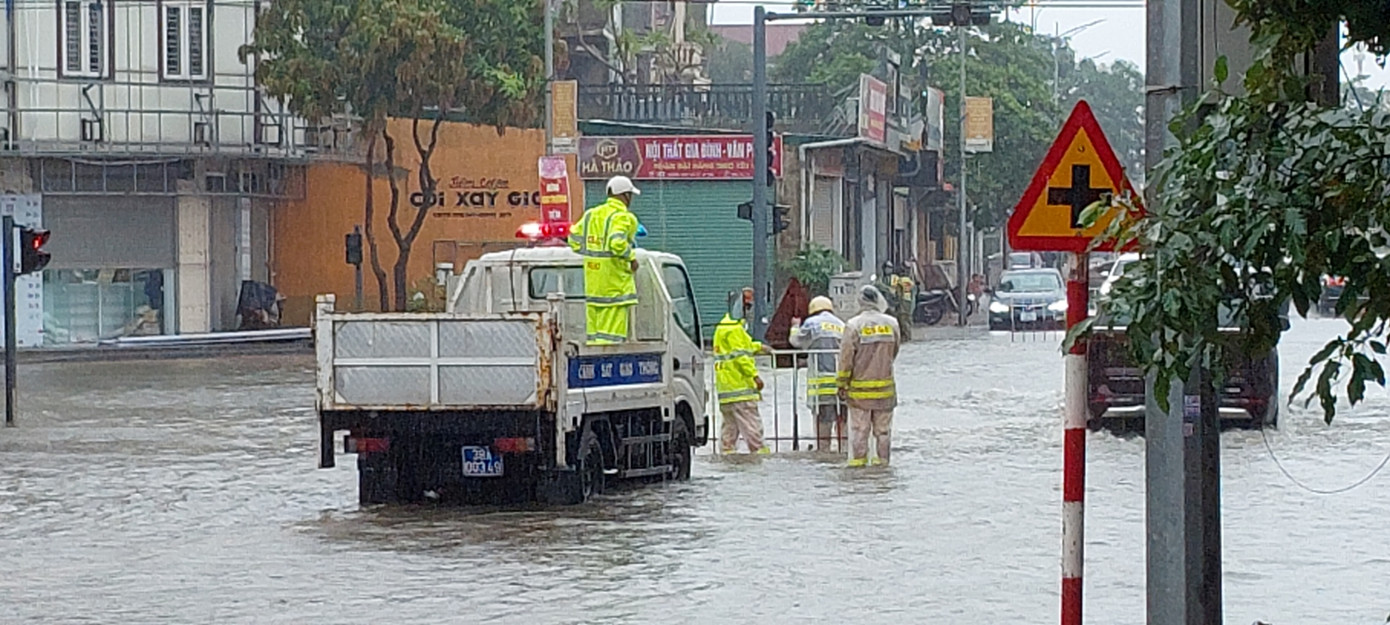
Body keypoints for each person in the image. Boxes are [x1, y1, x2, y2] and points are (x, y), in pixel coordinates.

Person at [567, 176, 642, 344]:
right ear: (625, 195)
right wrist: (631, 259)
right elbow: (616, 243)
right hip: (614, 287)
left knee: (594, 338)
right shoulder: (623, 217)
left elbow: (573, 239)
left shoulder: (590, 215)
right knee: (611, 340)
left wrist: (592, 253)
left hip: (593, 286)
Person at [838, 285, 902, 467]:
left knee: (860, 430)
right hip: (886, 390)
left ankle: (859, 467)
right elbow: (895, 351)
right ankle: (882, 465)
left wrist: (841, 383)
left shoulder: (853, 325)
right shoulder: (892, 323)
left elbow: (846, 358)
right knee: (883, 431)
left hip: (859, 391)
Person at [714, 288, 769, 455]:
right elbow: (741, 357)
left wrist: (759, 347)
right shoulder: (734, 329)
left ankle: (727, 457)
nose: (749, 310)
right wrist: (755, 376)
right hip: (740, 387)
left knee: (729, 428)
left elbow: (739, 349)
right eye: (748, 306)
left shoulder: (724, 327)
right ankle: (760, 455)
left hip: (726, 388)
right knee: (752, 425)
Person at [788, 295, 846, 451]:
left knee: (823, 421)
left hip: (822, 384)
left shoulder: (812, 323)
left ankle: (823, 452)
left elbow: (796, 341)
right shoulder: (841, 324)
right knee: (843, 420)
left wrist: (795, 326)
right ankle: (844, 450)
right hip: (843, 383)